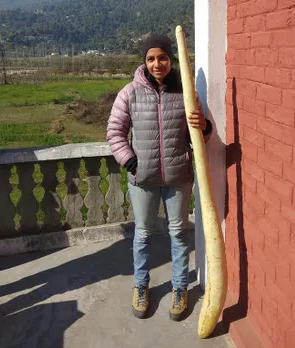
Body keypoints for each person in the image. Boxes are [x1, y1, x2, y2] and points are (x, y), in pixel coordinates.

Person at [106, 35, 213, 321]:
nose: (157, 64)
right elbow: (115, 132)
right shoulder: (129, 93)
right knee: (143, 234)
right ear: (144, 61)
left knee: (178, 234)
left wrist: (204, 127)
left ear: (171, 60)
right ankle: (141, 286)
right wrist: (131, 162)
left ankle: (180, 288)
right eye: (151, 58)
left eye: (163, 57)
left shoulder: (186, 93)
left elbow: (199, 135)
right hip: (143, 180)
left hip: (179, 177)